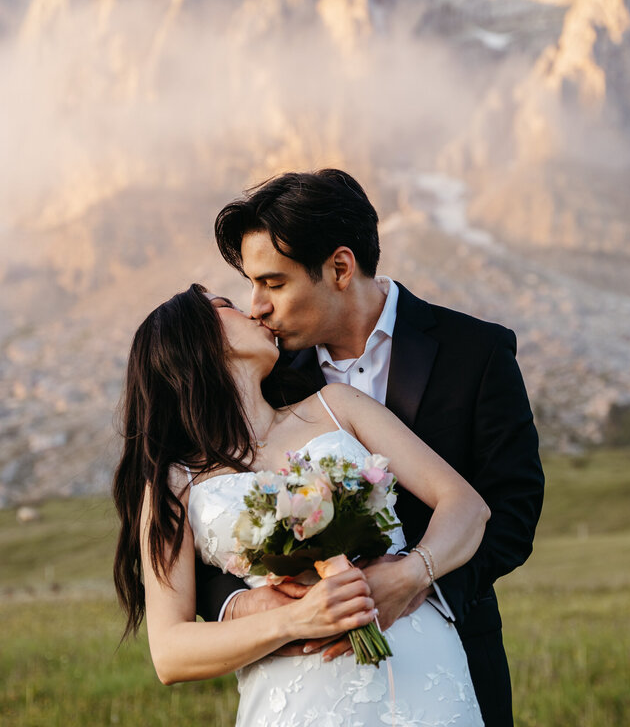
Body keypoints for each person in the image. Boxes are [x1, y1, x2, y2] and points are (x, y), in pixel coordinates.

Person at [200, 169, 544, 726]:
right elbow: (211, 514)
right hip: (309, 678)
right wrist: (245, 604)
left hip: (448, 665)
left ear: (340, 267)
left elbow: (513, 508)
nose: (256, 305)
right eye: (252, 284)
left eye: (274, 283)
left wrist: (415, 580)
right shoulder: (263, 376)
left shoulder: (474, 352)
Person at [113, 283, 491, 725]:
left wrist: (411, 572)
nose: (254, 311)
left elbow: (466, 505)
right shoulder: (171, 482)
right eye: (226, 307)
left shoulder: (338, 407)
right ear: (190, 342)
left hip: (422, 669)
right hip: (300, 699)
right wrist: (296, 619)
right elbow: (170, 654)